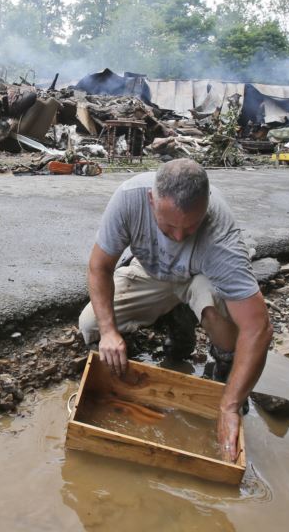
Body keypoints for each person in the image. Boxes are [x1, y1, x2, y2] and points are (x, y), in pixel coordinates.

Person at [79, 159, 273, 462]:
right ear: (151, 201)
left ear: (206, 207)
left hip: (198, 279)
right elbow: (98, 267)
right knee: (91, 325)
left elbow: (257, 328)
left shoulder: (222, 236)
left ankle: (218, 368)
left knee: (227, 339)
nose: (180, 237)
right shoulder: (130, 199)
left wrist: (229, 405)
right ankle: (170, 317)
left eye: (191, 226)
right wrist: (108, 332)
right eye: (169, 225)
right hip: (151, 271)